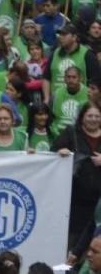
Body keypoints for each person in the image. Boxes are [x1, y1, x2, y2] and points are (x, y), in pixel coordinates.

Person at [53, 103, 101, 247]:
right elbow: (51, 153)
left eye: (97, 116)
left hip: (99, 203)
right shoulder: (71, 132)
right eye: (90, 116)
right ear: (82, 118)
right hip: (74, 202)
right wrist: (60, 152)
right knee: (73, 244)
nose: (93, 119)